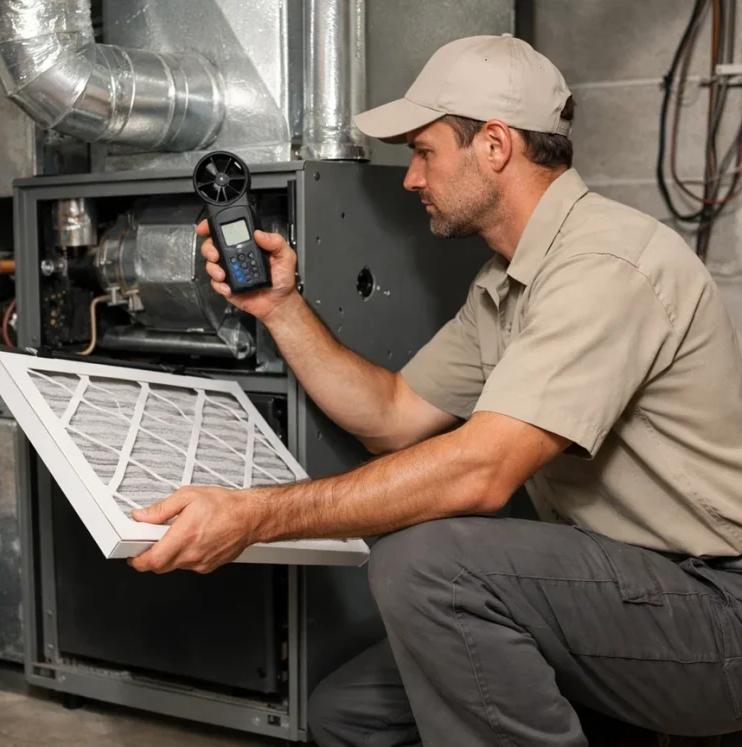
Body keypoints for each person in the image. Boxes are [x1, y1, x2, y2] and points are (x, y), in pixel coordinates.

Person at [128, 33, 742, 746]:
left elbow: (483, 472)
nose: (411, 179)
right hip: (615, 593)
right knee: (347, 715)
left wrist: (255, 515)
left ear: (494, 145)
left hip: (715, 609)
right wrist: (281, 308)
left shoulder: (605, 265)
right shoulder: (502, 286)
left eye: (424, 152)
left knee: (425, 563)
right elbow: (390, 415)